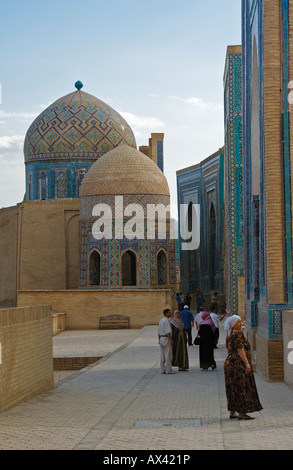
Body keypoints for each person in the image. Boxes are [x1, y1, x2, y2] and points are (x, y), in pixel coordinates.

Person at [224, 315, 263, 420]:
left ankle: (232, 412)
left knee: (232, 388)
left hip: (229, 365)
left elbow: (229, 350)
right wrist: (247, 364)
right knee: (242, 388)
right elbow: (240, 350)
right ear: (233, 324)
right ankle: (242, 413)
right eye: (239, 322)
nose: (241, 324)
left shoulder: (229, 335)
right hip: (238, 365)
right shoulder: (239, 335)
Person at [158, 308, 175, 374]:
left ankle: (162, 369)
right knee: (168, 354)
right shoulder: (167, 321)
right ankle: (168, 370)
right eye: (169, 312)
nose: (170, 313)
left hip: (162, 338)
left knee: (162, 354)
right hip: (166, 338)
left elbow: (159, 331)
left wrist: (159, 339)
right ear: (166, 313)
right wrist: (170, 339)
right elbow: (167, 331)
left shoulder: (161, 320)